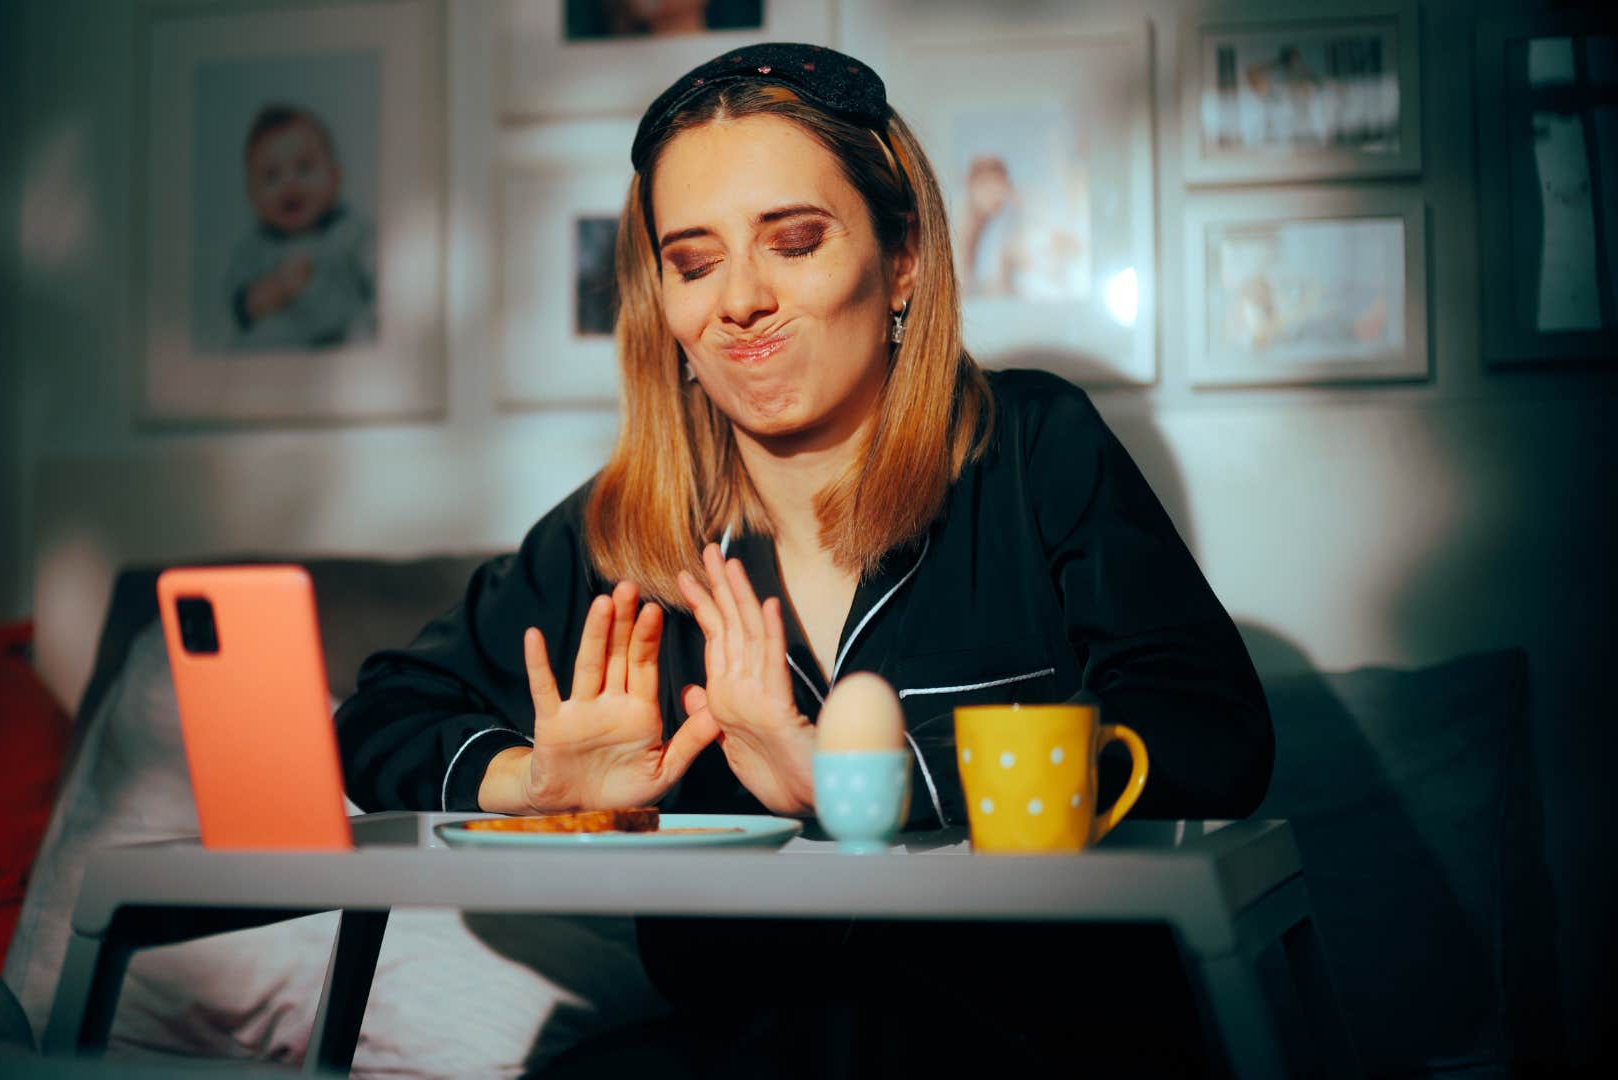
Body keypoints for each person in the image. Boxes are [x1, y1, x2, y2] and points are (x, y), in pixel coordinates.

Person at [336, 42, 1270, 1075]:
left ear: (902, 258)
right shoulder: (623, 529)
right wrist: (533, 782)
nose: (739, 300)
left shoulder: (1032, 449)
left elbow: (1210, 730)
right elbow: (379, 717)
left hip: (1042, 1045)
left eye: (792, 241)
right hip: (745, 1049)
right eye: (694, 263)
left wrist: (872, 779)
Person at [225, 104, 375, 350]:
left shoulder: (350, 231)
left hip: (341, 342)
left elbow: (381, 279)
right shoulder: (255, 248)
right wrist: (274, 289)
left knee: (364, 330)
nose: (289, 183)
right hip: (283, 353)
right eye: (272, 176)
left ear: (335, 177)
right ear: (251, 194)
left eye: (304, 167)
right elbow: (240, 309)